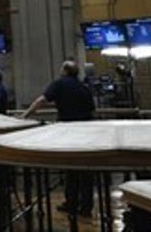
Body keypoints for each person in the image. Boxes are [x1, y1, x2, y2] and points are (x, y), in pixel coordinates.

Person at [22, 60, 96, 218]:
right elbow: (91, 109)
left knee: (71, 169)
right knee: (86, 171)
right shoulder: (84, 87)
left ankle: (71, 202)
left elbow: (42, 100)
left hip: (68, 132)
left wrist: (25, 114)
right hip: (87, 133)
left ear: (65, 71)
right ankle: (86, 206)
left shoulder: (59, 84)